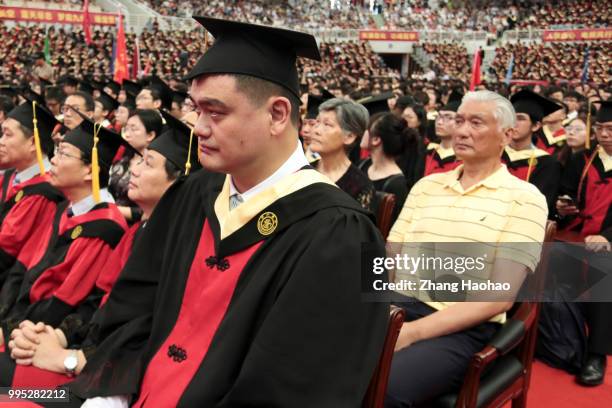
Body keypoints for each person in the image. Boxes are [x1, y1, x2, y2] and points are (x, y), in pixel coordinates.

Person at [72, 16, 388, 408]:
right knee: (13, 394)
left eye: (215, 112)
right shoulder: (194, 193)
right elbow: (135, 305)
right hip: (133, 396)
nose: (199, 128)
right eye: (196, 109)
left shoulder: (341, 234)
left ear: (277, 114)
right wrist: (112, 396)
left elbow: (301, 387)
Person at [1, 109, 201, 389]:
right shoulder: (135, 231)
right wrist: (51, 336)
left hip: (103, 379)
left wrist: (70, 357)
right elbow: (94, 302)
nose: (134, 169)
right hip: (69, 349)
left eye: (148, 163)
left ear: (178, 182)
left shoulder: (156, 244)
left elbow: (134, 330)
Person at [385, 90, 548, 407]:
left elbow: (498, 297)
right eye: (459, 120)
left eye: (476, 122)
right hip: (399, 306)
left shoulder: (525, 199)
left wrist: (412, 332)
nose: (461, 131)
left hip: (462, 326)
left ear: (507, 134)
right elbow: (391, 256)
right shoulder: (426, 186)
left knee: (384, 385)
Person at [0, 116, 130, 354]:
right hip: (18, 320)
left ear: (89, 170)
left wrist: (9, 329)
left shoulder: (103, 229)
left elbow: (63, 301)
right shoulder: (65, 209)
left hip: (42, 336)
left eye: (63, 154)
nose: (53, 161)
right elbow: (24, 268)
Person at [556, 101, 612, 386]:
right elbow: (567, 194)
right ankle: (559, 339)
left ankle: (597, 352)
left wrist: (607, 237)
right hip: (578, 232)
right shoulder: (583, 159)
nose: (604, 134)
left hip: (607, 240)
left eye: (611, 129)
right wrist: (563, 207)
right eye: (601, 128)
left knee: (604, 267)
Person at [0, 99, 64, 289]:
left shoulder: (44, 192)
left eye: (7, 135)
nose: (1, 141)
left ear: (33, 143)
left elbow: (7, 249)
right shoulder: (13, 174)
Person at [502, 89, 562, 216]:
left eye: (520, 118)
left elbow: (538, 206)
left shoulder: (547, 164)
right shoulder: (494, 153)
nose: (513, 123)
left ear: (535, 126)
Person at [311, 97, 375, 210]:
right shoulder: (304, 171)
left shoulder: (360, 187)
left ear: (349, 137)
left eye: (327, 125)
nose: (316, 130)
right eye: (317, 122)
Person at [109, 109, 163, 223]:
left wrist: (113, 210)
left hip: (135, 225)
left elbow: (152, 209)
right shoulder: (123, 160)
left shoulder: (156, 168)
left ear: (150, 135)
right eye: (126, 128)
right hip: (110, 219)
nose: (127, 134)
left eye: (133, 129)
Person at [359, 112, 411, 224]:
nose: (363, 133)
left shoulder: (397, 184)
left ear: (376, 140)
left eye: (367, 129)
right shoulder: (363, 165)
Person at [422, 95, 462, 176]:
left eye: (448, 118)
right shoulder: (427, 149)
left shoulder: (465, 158)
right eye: (438, 116)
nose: (439, 122)